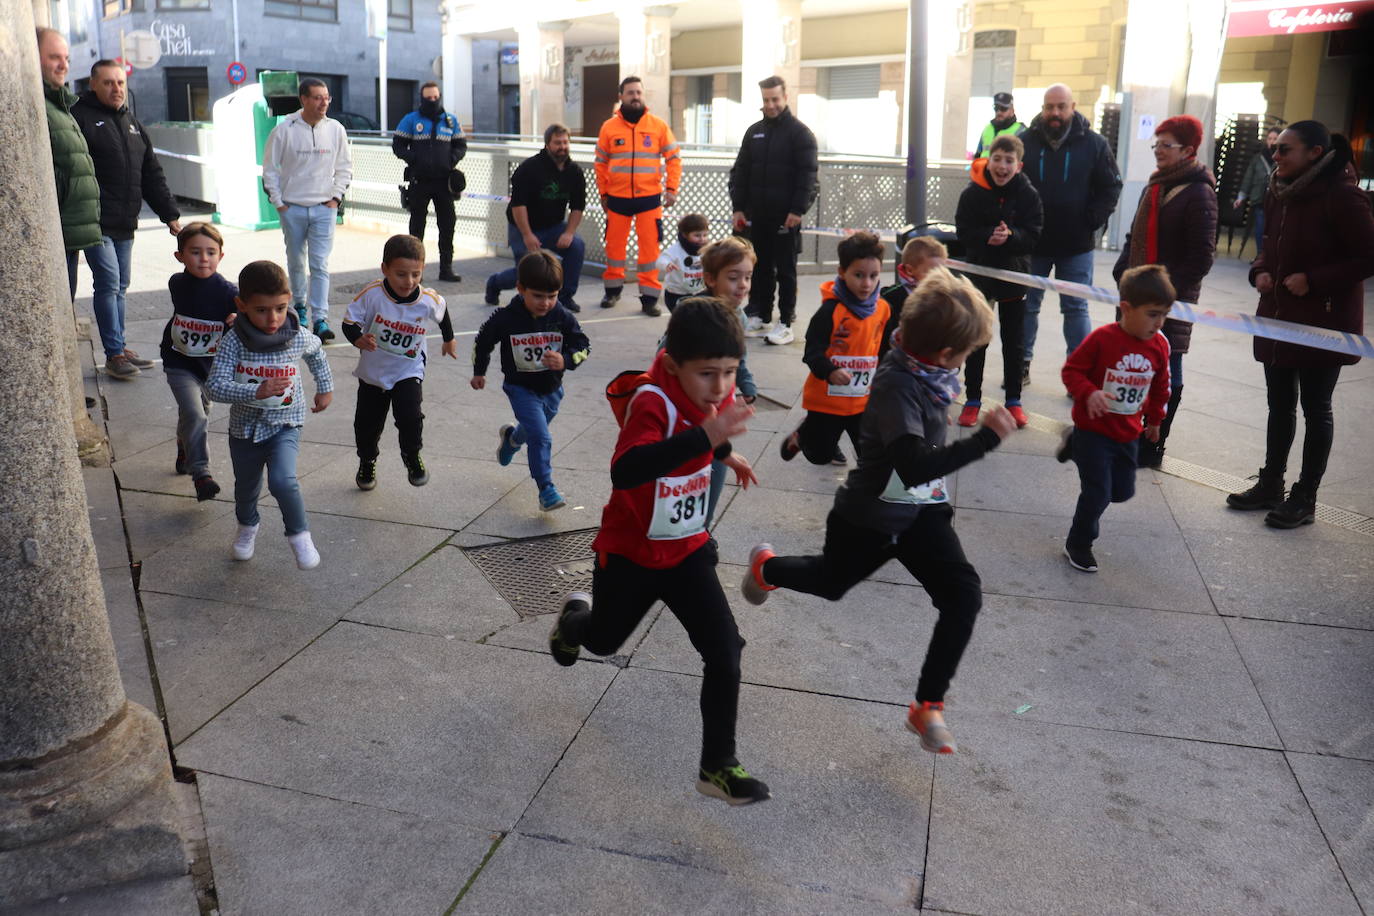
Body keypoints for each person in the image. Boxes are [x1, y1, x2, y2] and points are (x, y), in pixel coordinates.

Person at [741, 268, 1015, 756]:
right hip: (869, 517)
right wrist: (987, 440)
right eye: (969, 354)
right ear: (947, 355)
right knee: (829, 584)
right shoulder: (898, 386)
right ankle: (768, 568)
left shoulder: (931, 374)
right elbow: (912, 465)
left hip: (922, 514)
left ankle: (927, 704)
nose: (967, 362)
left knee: (962, 595)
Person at [547, 297, 769, 805]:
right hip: (630, 556)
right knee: (603, 643)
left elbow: (701, 428)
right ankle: (574, 620)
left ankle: (718, 765)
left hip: (686, 552)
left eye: (730, 373)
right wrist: (707, 436)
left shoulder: (707, 398)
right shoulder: (654, 401)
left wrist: (724, 453)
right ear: (673, 366)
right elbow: (627, 469)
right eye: (707, 374)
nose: (720, 387)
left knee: (726, 650)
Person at [1227, 121, 1374, 529]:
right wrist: (1259, 270)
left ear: (1314, 153)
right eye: (1276, 150)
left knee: (1316, 407)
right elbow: (1269, 245)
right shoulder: (1280, 190)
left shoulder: (1343, 195)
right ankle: (1271, 483)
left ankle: (1305, 497)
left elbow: (1367, 257)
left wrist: (1314, 280)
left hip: (1322, 321)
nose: (1276, 156)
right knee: (1279, 404)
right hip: (1278, 316)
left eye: (1285, 150)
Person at [206, 261, 333, 570]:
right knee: (246, 488)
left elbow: (316, 352)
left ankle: (299, 535)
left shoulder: (296, 335)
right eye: (262, 310)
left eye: (280, 307)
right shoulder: (234, 342)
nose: (273, 318)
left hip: (285, 424)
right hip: (245, 430)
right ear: (242, 305)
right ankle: (247, 528)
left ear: (289, 299)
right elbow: (214, 387)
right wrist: (254, 391)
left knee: (283, 481)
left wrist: (324, 386)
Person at [1113, 115, 1218, 467]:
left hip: (1171, 301)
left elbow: (1201, 256)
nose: (1158, 151)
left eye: (1165, 145)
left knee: (1167, 366)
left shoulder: (1199, 191)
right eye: (1155, 144)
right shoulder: (1154, 186)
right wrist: (1123, 272)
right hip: (1137, 294)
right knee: (1132, 364)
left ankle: (1153, 443)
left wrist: (1162, 294)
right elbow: (1133, 237)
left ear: (1188, 150)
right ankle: (1127, 434)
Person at [71, 59, 182, 380]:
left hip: (125, 222)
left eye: (120, 83)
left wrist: (171, 214)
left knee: (120, 286)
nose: (116, 88)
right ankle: (114, 353)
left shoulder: (133, 124)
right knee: (107, 284)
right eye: (108, 82)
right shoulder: (81, 118)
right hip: (95, 221)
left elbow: (152, 175)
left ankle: (119, 346)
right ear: (93, 84)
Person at [1057, 265, 1173, 573]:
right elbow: (1071, 371)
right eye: (1152, 314)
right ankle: (1079, 543)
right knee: (1098, 493)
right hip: (1094, 430)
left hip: (1127, 432)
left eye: (1164, 315)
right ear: (1126, 308)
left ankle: (1072, 444)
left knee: (1122, 492)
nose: (1159, 322)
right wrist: (1089, 392)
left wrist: (1155, 420)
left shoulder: (1160, 344)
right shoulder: (1101, 339)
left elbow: (1161, 385)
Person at [1018, 83, 1123, 386]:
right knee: (1027, 305)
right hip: (1033, 243)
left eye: (1061, 106)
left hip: (1076, 246)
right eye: (1049, 106)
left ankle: (1079, 374)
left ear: (1072, 106)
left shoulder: (1095, 144)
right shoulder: (1024, 142)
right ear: (1043, 107)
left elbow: (1111, 186)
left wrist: (1091, 220)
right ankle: (1020, 364)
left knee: (1076, 307)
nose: (1055, 113)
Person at [474, 251, 591, 512]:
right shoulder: (507, 317)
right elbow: (483, 340)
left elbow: (582, 344)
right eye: (538, 296)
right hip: (520, 388)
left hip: (552, 389)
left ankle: (512, 440)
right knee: (541, 435)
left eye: (552, 296)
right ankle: (546, 489)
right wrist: (479, 371)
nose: (546, 303)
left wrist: (566, 360)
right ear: (520, 289)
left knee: (534, 429)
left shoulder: (561, 315)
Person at [342, 234, 456, 491]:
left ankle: (412, 455)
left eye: (416, 274)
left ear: (423, 269)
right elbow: (349, 323)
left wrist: (449, 340)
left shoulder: (427, 299)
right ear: (385, 269)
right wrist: (358, 340)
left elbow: (443, 311)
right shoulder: (371, 294)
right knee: (367, 424)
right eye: (401, 274)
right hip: (373, 372)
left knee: (410, 416)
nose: (409, 281)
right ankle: (367, 460)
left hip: (408, 369)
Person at [779, 231, 898, 467]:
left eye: (873, 276)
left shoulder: (883, 309)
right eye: (859, 275)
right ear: (842, 272)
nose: (867, 283)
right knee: (820, 456)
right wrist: (830, 371)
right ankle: (803, 435)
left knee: (872, 455)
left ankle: (865, 491)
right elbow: (812, 352)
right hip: (827, 400)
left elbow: (884, 347)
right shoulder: (830, 312)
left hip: (863, 399)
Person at [955, 133, 1043, 429]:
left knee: (1013, 340)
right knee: (977, 337)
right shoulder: (972, 193)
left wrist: (1010, 237)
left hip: (1014, 275)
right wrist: (985, 237)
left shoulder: (1029, 194)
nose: (1002, 166)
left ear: (1019, 165)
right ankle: (972, 400)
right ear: (988, 160)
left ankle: (1014, 401)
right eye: (997, 159)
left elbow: (1034, 234)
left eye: (1009, 161)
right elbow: (963, 231)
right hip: (979, 274)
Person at [729, 75, 819, 346]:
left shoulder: (801, 134)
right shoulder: (754, 131)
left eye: (775, 99)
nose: (770, 105)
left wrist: (797, 210)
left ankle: (786, 321)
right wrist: (738, 208)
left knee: (786, 270)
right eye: (766, 100)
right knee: (759, 267)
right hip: (756, 216)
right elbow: (740, 172)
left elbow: (808, 177)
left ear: (786, 97)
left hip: (786, 218)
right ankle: (759, 314)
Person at [262, 77, 353, 342]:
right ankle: (300, 309)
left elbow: (345, 167)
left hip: (324, 208)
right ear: (303, 99)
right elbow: (269, 169)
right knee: (296, 262)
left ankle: (321, 319)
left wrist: (336, 198)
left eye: (327, 97)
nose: (323, 102)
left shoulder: (336, 129)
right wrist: (279, 203)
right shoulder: (285, 129)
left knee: (320, 264)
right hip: (293, 209)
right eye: (317, 97)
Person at [160, 223, 238, 502]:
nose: (203, 259)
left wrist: (239, 317)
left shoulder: (230, 292)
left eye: (210, 252)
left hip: (211, 369)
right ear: (179, 256)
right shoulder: (176, 283)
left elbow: (259, 309)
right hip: (178, 362)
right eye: (195, 252)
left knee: (193, 413)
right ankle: (201, 473)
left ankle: (184, 445)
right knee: (196, 414)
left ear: (221, 256)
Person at [594, 76, 681, 316]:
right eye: (630, 92)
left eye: (638, 93)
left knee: (649, 252)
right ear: (621, 96)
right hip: (617, 199)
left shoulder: (658, 126)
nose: (635, 97)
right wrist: (603, 193)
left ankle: (650, 299)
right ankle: (612, 292)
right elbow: (600, 164)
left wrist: (671, 189)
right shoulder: (608, 127)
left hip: (649, 199)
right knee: (614, 250)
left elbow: (674, 158)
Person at [486, 123, 587, 311]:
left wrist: (569, 233)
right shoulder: (529, 169)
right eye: (558, 143)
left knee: (577, 246)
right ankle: (495, 282)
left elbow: (577, 206)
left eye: (565, 142)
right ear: (548, 144)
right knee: (528, 272)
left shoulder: (574, 172)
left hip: (554, 226)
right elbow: (518, 205)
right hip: (523, 226)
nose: (562, 147)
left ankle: (564, 298)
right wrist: (527, 235)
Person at [697, 237, 759, 528]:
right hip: (691, 414)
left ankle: (703, 532)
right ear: (710, 279)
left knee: (716, 469)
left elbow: (740, 361)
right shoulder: (694, 314)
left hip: (718, 415)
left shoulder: (740, 317)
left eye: (747, 277)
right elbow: (666, 357)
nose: (743, 285)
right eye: (733, 278)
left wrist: (747, 387)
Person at [36, 27, 101, 302]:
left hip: (69, 231)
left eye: (66, 58)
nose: (64, 65)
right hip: (56, 232)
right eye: (54, 57)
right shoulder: (42, 106)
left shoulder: (59, 106)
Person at [392, 82, 467, 283]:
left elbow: (461, 145)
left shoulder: (450, 120)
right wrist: (413, 158)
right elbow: (397, 144)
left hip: (444, 183)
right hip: (420, 181)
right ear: (421, 98)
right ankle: (415, 271)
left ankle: (446, 269)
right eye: (428, 98)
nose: (432, 101)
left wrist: (452, 159)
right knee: (417, 227)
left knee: (448, 225)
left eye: (435, 97)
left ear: (439, 96)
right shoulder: (411, 119)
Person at [1235, 127, 1281, 254]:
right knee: (1260, 226)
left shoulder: (1282, 158)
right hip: (1259, 197)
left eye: (1275, 139)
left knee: (1274, 228)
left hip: (1277, 198)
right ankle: (1261, 254)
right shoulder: (1258, 158)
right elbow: (1248, 177)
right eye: (1270, 138)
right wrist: (1241, 197)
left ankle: (1269, 254)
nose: (1272, 141)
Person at [880, 235, 948, 315]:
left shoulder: (943, 296)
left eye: (942, 271)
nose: (939, 277)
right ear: (909, 270)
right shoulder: (891, 297)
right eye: (932, 273)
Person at [657, 213, 709, 312]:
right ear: (685, 235)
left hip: (698, 292)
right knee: (682, 320)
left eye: (705, 235)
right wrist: (667, 264)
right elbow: (661, 259)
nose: (702, 239)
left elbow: (717, 258)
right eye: (697, 235)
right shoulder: (676, 250)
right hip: (676, 294)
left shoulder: (706, 250)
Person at [972, 91, 1025, 160]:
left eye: (1003, 108)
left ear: (1012, 110)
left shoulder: (1022, 130)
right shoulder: (987, 128)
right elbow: (978, 154)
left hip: (1005, 170)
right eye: (996, 108)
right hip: (984, 170)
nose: (999, 112)